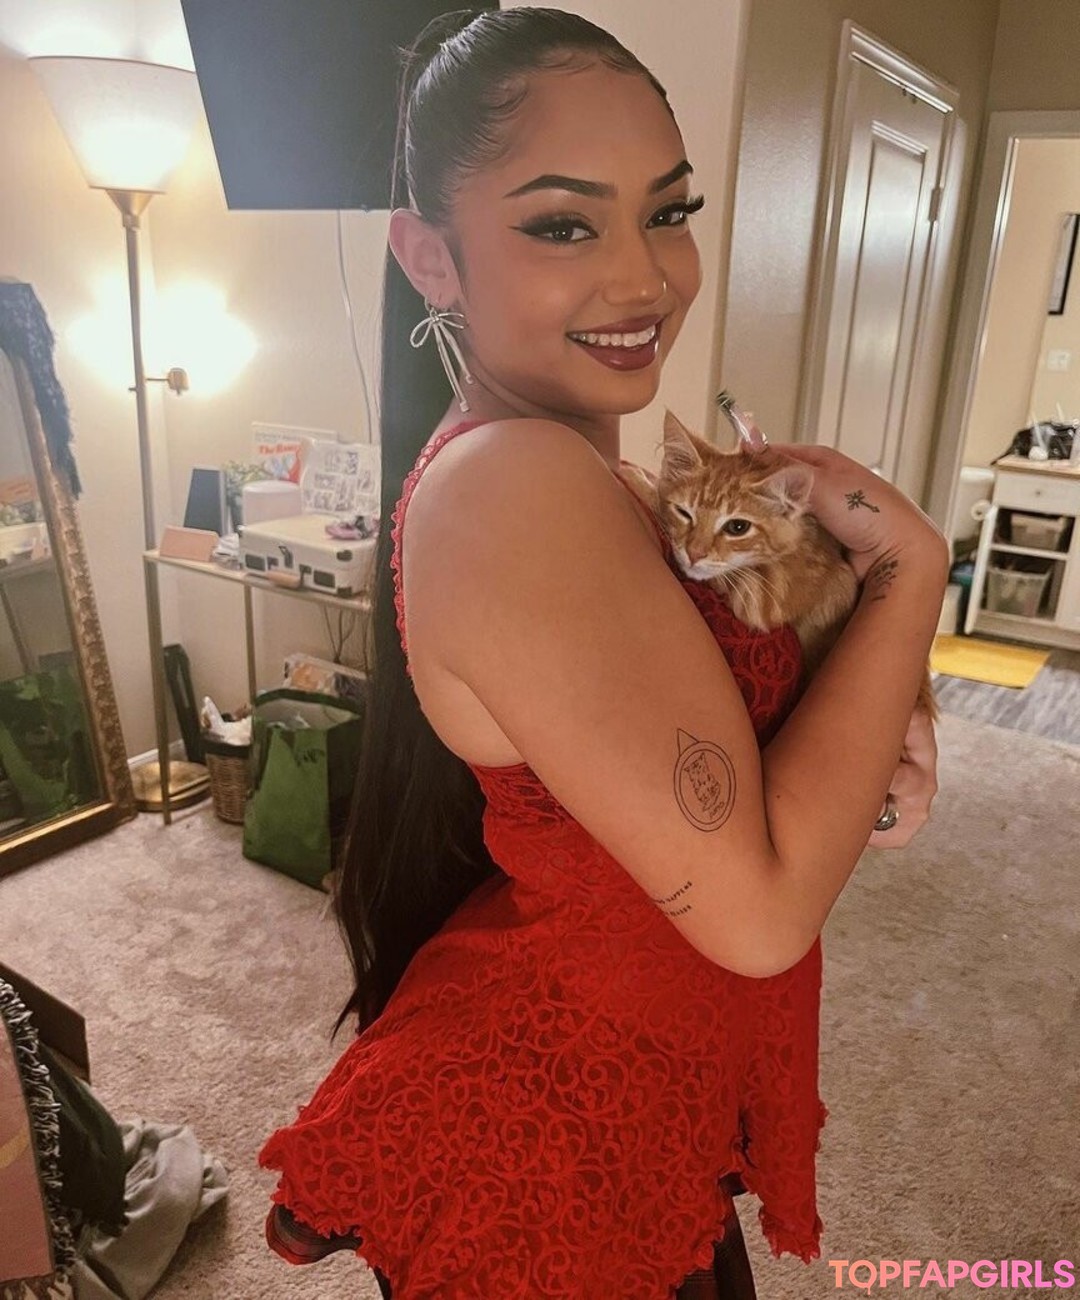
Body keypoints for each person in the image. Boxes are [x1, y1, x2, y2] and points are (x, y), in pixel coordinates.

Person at [258, 9, 947, 1298]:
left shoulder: (606, 481)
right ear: (430, 257)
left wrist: (865, 717)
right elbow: (757, 913)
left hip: (637, 1098)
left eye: (668, 211)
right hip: (554, 1148)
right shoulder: (516, 485)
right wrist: (915, 568)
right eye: (565, 225)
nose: (647, 278)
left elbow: (737, 766)